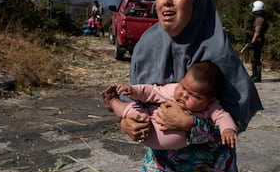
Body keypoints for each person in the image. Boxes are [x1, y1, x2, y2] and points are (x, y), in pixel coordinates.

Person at [119, 0, 263, 172]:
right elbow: (137, 99)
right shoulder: (146, 46)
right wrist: (127, 121)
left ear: (198, 3)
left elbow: (235, 123)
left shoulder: (218, 53)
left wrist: (192, 124)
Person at [102, 61, 238, 149]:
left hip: (170, 152)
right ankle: (114, 102)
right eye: (183, 87)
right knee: (134, 110)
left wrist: (228, 130)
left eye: (195, 96)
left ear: (209, 99)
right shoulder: (173, 90)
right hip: (146, 123)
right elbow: (151, 91)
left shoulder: (211, 106)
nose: (184, 95)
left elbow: (223, 117)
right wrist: (133, 90)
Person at [246, 0, 268, 82]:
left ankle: (257, 75)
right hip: (256, 41)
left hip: (257, 42)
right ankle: (254, 74)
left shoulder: (259, 20)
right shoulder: (258, 18)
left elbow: (257, 32)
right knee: (253, 58)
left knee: (256, 59)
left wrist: (252, 42)